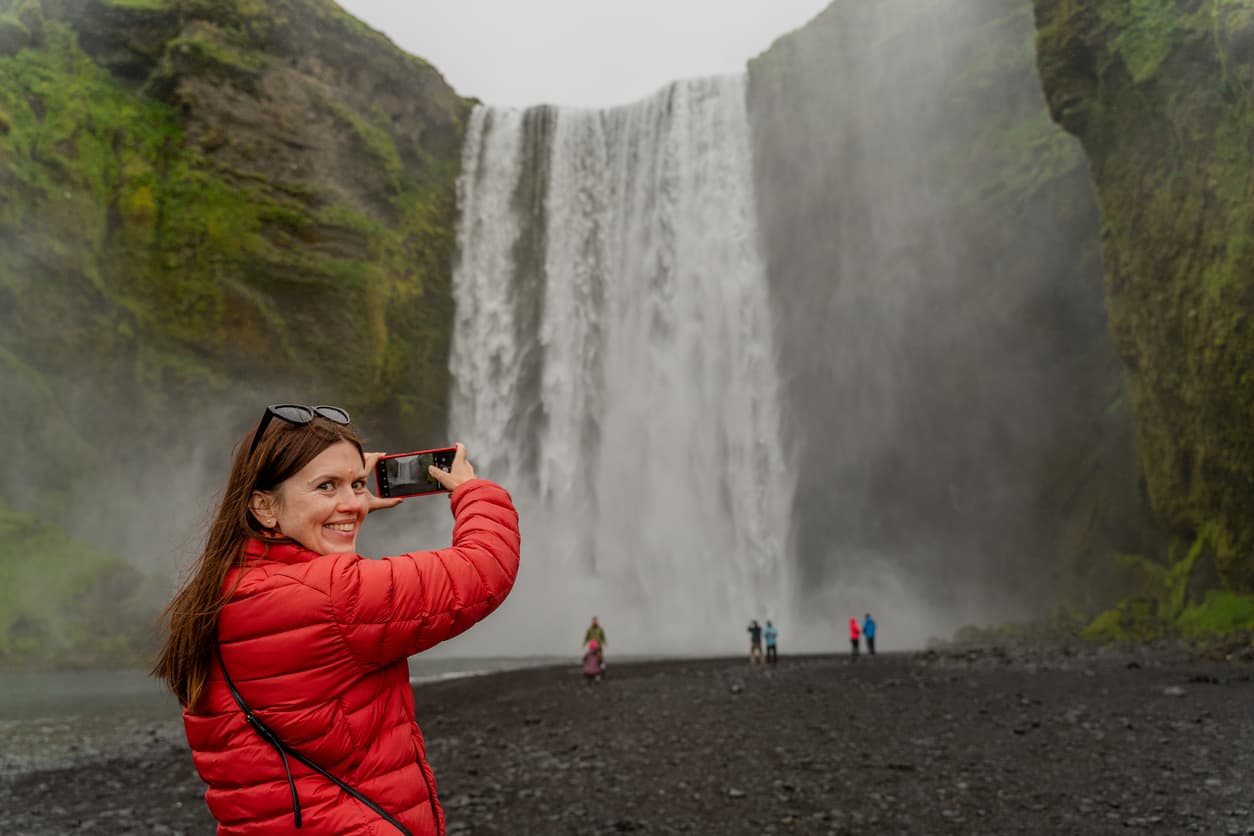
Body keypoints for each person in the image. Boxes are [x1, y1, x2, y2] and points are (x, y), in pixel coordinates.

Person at [152, 404, 520, 836]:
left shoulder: (220, 591)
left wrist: (335, 501)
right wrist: (472, 491)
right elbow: (484, 569)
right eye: (326, 486)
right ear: (264, 507)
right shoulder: (333, 596)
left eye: (358, 484)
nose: (353, 502)